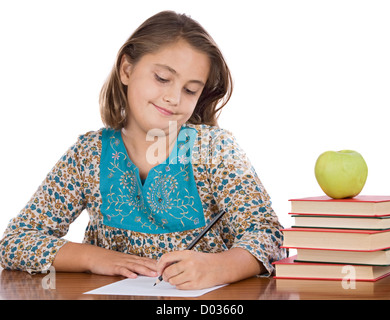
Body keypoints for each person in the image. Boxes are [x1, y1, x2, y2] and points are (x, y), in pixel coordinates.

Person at [0, 10, 286, 290]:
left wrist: (220, 266)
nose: (173, 97)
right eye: (162, 78)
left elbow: (269, 237)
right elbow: (15, 241)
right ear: (126, 69)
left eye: (190, 90)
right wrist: (94, 257)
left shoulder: (215, 149)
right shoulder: (88, 154)